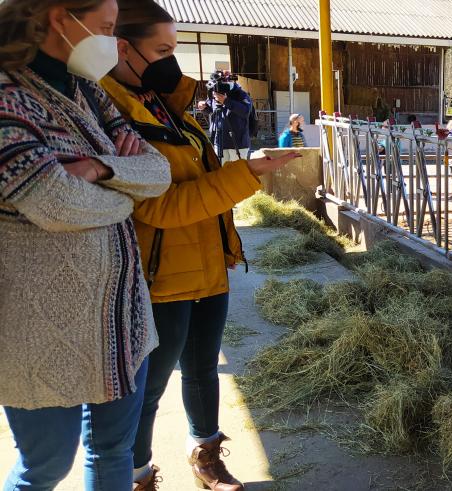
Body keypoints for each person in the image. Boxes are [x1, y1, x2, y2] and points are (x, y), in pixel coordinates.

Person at [103, 3, 301, 489]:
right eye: (163, 50)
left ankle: (205, 455)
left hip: (207, 265)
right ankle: (137, 474)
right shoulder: (110, 114)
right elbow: (158, 208)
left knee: (202, 371)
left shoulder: (163, 106)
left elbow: (197, 180)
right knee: (147, 390)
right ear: (121, 48)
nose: (174, 62)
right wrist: (247, 174)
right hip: (159, 276)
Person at [0, 0, 173, 489]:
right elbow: (53, 202)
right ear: (60, 18)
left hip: (121, 322)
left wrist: (100, 168)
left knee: (114, 451)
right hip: (42, 327)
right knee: (45, 466)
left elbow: (156, 173)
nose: (109, 42)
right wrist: (124, 197)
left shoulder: (88, 91)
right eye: (103, 28)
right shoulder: (7, 97)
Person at [197, 71, 253, 164]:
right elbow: (210, 109)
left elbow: (245, 111)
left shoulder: (240, 94)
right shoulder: (215, 93)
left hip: (238, 143)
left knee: (236, 174)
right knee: (221, 173)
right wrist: (203, 107)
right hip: (219, 142)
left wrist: (226, 101)